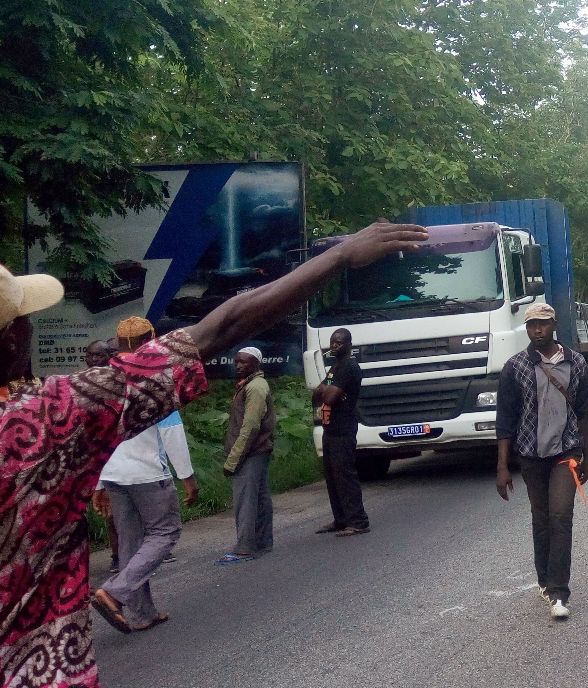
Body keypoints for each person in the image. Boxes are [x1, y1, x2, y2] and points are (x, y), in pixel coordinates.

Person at [0, 221, 427, 687]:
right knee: (160, 533)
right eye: (24, 319)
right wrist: (337, 257)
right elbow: (221, 328)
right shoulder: (48, 416)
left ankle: (132, 594)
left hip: (130, 477)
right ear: (13, 339)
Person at [91, 318, 200, 633]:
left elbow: (96, 436)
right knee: (166, 532)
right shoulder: (154, 377)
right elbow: (172, 432)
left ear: (118, 342)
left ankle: (141, 614)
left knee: (130, 542)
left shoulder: (102, 381)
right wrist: (187, 477)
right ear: (151, 338)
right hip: (148, 474)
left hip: (114, 475)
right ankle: (114, 592)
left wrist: (98, 482)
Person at [495, 303, 588, 620]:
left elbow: (582, 411)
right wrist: (502, 467)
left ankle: (559, 592)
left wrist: (587, 453)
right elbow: (505, 419)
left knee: (561, 515)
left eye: (543, 323)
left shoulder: (576, 363)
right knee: (542, 519)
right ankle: (544, 579)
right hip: (531, 455)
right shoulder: (515, 367)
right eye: (531, 325)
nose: (537, 330)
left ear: (554, 325)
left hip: (566, 452)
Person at [217, 347, 276, 564]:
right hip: (257, 451)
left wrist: (233, 459)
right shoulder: (251, 385)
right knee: (259, 497)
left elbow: (250, 426)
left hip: (250, 452)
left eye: (244, 362)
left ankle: (244, 547)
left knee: (245, 500)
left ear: (256, 364)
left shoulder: (255, 387)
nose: (239, 365)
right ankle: (262, 542)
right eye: (237, 361)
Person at [313, 328, 370, 537]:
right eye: (332, 342)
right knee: (332, 476)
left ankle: (358, 521)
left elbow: (328, 397)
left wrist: (327, 391)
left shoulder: (349, 367)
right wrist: (328, 390)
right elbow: (317, 394)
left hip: (343, 429)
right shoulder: (335, 368)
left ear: (349, 345)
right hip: (330, 428)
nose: (334, 345)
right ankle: (341, 519)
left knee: (345, 475)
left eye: (339, 342)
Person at [84, 340, 123, 573]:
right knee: (108, 514)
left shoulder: (117, 385)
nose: (93, 360)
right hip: (87, 460)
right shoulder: (78, 385)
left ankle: (124, 555)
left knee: (118, 512)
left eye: (98, 356)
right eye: (90, 355)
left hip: (118, 459)